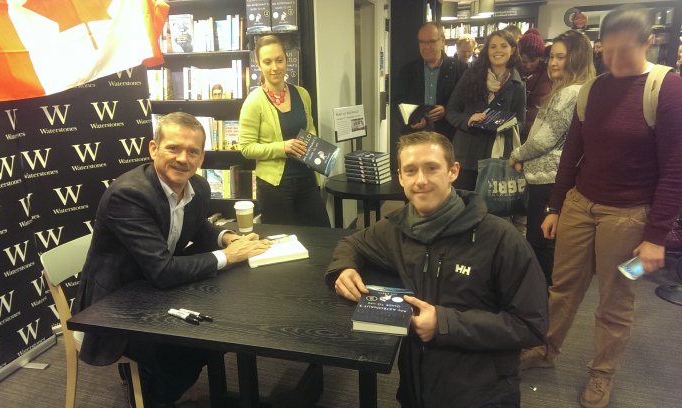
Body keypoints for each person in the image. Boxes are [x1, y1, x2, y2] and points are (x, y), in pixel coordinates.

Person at [519, 6, 682, 408]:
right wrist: (555, 206)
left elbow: (676, 169)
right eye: (606, 52)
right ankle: (547, 349)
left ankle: (601, 374)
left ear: (648, 43)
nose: (613, 61)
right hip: (580, 206)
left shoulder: (667, 88)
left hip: (630, 217)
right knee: (562, 288)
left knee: (616, 299)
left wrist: (656, 238)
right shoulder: (593, 89)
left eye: (624, 52)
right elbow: (574, 150)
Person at [326, 131, 548, 408]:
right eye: (411, 171)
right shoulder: (397, 228)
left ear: (453, 171)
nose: (421, 180)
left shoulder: (500, 238)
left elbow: (531, 325)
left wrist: (444, 325)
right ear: (401, 177)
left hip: (481, 392)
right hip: (416, 383)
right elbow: (352, 243)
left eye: (432, 168)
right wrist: (343, 268)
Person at [73, 112, 271, 407]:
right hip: (114, 303)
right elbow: (163, 270)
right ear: (154, 149)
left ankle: (158, 381)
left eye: (193, 152)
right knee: (190, 348)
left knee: (218, 330)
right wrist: (228, 257)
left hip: (153, 289)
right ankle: (150, 397)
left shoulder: (198, 187)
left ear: (202, 157)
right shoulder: (128, 195)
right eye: (173, 148)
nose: (183, 159)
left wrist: (227, 238)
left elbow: (198, 225)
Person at [508, 30, 596, 285]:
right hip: (551, 179)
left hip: (548, 180)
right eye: (552, 57)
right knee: (546, 242)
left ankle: (542, 301)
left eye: (561, 57)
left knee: (540, 243)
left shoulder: (570, 93)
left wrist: (516, 154)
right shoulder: (578, 90)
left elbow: (546, 139)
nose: (553, 62)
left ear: (577, 59)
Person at [239, 35, 330, 227]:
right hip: (275, 188)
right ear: (259, 64)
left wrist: (318, 153)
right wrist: (283, 147)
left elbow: (310, 129)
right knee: (284, 247)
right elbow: (246, 148)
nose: (275, 67)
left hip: (307, 181)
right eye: (268, 62)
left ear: (286, 60)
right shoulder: (254, 102)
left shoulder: (302, 94)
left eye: (279, 60)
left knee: (321, 238)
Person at [445, 30, 526, 191]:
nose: (498, 51)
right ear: (486, 50)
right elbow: (451, 111)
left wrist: (504, 124)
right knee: (462, 206)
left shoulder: (518, 84)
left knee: (492, 210)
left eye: (504, 46)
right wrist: (468, 120)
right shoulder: (471, 76)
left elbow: (521, 122)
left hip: (496, 157)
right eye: (493, 46)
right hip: (467, 154)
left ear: (513, 49)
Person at [396, 22, 468, 140]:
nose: (426, 47)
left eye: (431, 41)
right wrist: (414, 119)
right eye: (422, 42)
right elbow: (398, 102)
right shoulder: (407, 70)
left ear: (442, 41)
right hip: (415, 136)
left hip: (448, 136)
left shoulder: (460, 69)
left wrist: (446, 111)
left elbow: (466, 102)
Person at [517, 28, 553, 143]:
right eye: (524, 61)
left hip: (538, 132)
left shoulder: (548, 73)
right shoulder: (512, 72)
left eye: (533, 60)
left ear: (540, 57)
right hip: (515, 130)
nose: (528, 65)